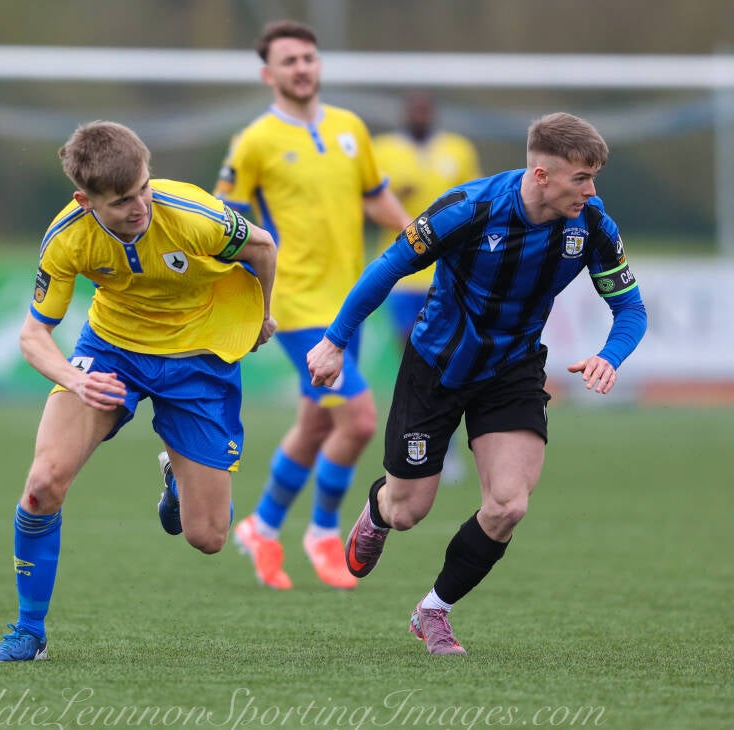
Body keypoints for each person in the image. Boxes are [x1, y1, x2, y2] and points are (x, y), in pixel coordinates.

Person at [308, 112, 647, 654]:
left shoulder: (592, 225)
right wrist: (335, 340)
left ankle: (433, 610)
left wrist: (611, 355)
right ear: (541, 175)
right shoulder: (470, 208)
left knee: (509, 504)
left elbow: (629, 307)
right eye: (581, 179)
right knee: (408, 510)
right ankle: (378, 511)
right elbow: (390, 266)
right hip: (437, 365)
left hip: (512, 370)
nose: (591, 190)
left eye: (594, 177)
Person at [0, 120, 277, 662]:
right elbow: (33, 334)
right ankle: (28, 634)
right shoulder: (67, 238)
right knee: (43, 483)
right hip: (111, 353)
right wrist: (75, 378)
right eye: (120, 202)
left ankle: (175, 479)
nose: (139, 208)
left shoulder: (194, 216)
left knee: (207, 537)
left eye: (142, 189)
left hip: (198, 358)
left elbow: (262, 247)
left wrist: (262, 316)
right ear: (85, 201)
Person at [160, 19, 408, 591]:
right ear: (269, 74)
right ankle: (322, 530)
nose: (302, 68)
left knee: (316, 422)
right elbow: (222, 221)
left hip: (351, 301)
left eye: (309, 58)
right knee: (360, 420)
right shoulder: (255, 142)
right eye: (290, 61)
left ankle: (263, 526)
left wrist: (430, 240)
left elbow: (378, 199)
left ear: (319, 66)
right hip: (293, 306)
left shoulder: (350, 128)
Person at [372, 90, 484, 483]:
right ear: (406, 114)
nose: (419, 114)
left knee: (450, 360)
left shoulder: (458, 150)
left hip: (447, 274)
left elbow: (477, 204)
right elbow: (366, 201)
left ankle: (448, 446)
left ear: (432, 114)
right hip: (404, 277)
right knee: (416, 361)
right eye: (413, 109)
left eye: (425, 109)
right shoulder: (382, 150)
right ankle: (419, 444)